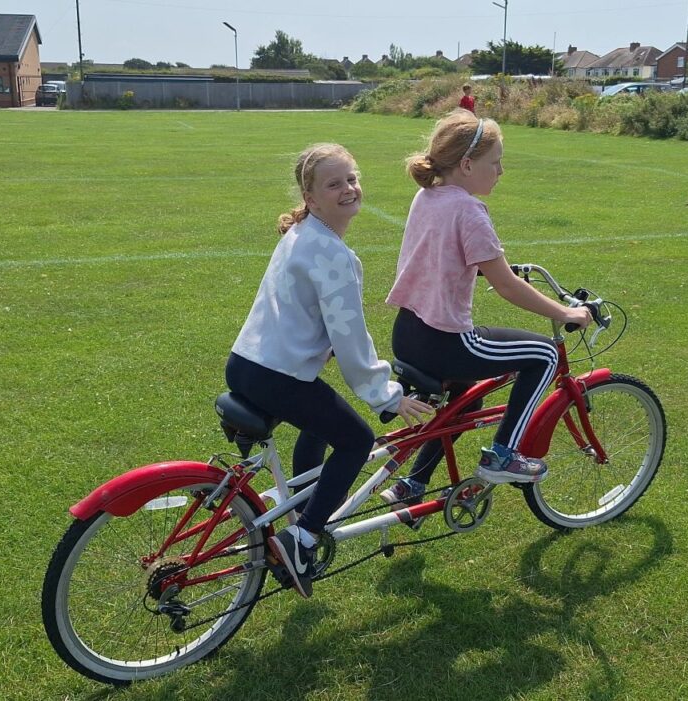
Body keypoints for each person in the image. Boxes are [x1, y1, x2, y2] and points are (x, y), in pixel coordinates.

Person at [226, 143, 432, 598]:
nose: (349, 189)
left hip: (246, 363)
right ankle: (301, 539)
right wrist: (388, 395)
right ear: (311, 196)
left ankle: (299, 510)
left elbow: (301, 312)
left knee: (320, 417)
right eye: (334, 184)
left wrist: (335, 352)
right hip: (275, 374)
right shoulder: (331, 254)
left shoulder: (301, 234)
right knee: (357, 439)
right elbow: (351, 338)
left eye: (352, 179)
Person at [381, 110, 592, 508]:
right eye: (495, 162)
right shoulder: (469, 210)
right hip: (447, 342)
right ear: (466, 165)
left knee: (469, 401)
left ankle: (413, 484)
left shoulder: (427, 196)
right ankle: (503, 456)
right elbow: (506, 286)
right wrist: (565, 313)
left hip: (408, 332)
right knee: (545, 354)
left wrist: (482, 267)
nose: (501, 170)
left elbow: (442, 255)